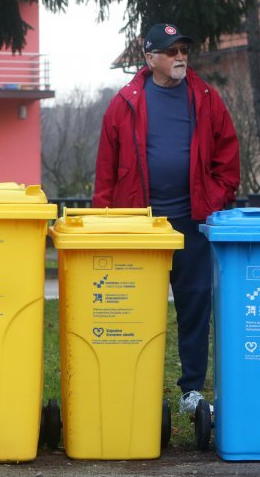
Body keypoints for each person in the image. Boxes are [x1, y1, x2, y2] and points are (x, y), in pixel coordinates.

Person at [93, 22, 240, 414]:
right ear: (150, 57)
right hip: (140, 230)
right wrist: (105, 223)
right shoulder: (124, 103)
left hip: (192, 225)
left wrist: (215, 197)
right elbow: (106, 172)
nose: (180, 58)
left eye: (184, 51)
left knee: (195, 307)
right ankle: (134, 386)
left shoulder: (207, 98)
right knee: (136, 310)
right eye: (172, 51)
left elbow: (228, 155)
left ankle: (191, 391)